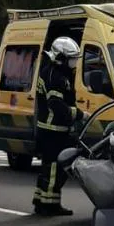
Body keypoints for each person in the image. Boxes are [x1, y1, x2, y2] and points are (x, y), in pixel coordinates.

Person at [33, 37, 83, 216]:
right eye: (71, 58)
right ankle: (48, 205)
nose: (74, 62)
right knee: (55, 169)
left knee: (48, 167)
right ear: (60, 57)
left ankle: (41, 200)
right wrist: (77, 114)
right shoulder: (57, 76)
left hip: (48, 129)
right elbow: (56, 104)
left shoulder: (51, 72)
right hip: (53, 130)